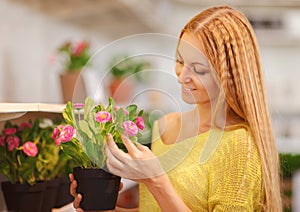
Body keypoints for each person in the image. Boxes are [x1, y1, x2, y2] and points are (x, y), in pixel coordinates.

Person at [70, 5, 282, 211]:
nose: (182, 75)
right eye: (180, 61)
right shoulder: (165, 125)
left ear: (229, 78)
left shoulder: (238, 146)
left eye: (198, 70)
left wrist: (156, 180)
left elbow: (161, 191)